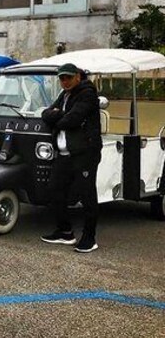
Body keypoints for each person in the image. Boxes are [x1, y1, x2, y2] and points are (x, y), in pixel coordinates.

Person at [40, 63, 103, 253]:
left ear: (78, 76)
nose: (64, 81)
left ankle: (89, 238)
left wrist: (57, 118)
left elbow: (73, 119)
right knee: (54, 190)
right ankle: (65, 232)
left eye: (68, 77)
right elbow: (45, 113)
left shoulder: (87, 93)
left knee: (87, 195)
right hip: (65, 154)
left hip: (84, 152)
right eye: (61, 78)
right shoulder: (65, 95)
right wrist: (57, 116)